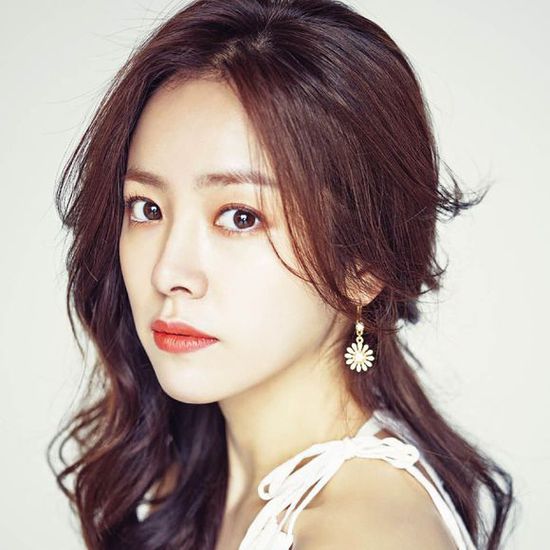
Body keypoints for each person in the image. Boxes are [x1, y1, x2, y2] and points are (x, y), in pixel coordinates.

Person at [47, 1, 516, 548]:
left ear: (361, 266)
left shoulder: (361, 535)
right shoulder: (199, 478)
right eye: (147, 208)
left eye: (240, 217)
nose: (168, 272)